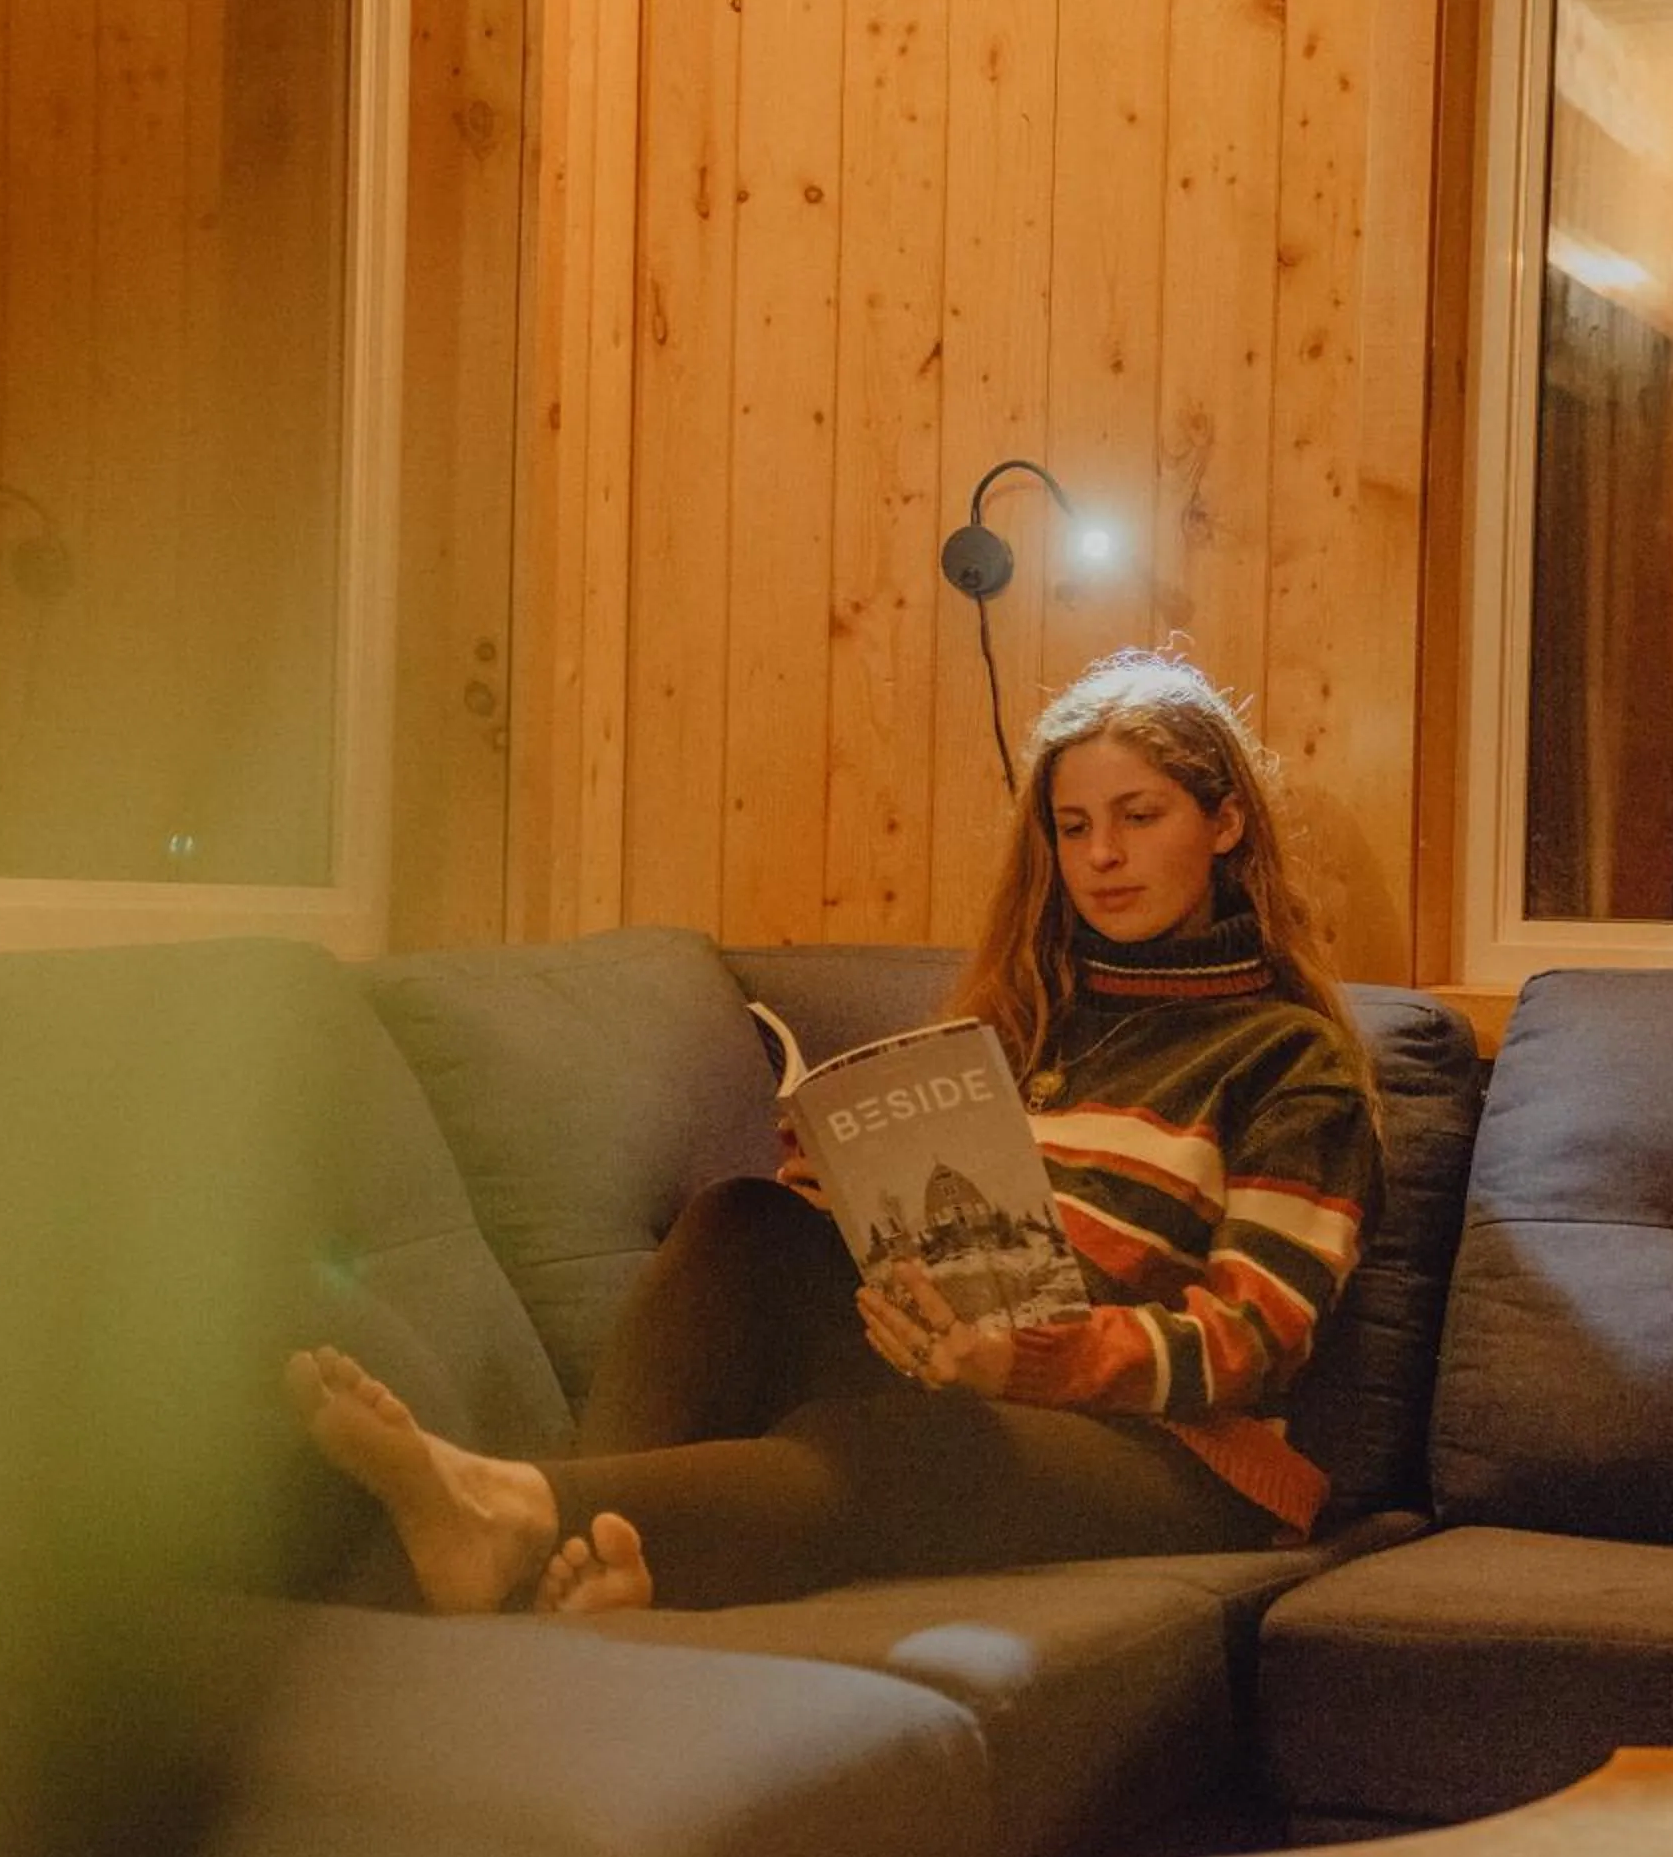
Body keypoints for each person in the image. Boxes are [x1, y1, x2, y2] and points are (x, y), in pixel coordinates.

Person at [287, 648, 1384, 1613]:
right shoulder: (1022, 1023)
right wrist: (841, 1193)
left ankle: (516, 1510)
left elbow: (1253, 1338)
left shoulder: (1287, 1059)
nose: (1103, 855)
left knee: (892, 1443)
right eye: (1076, 825)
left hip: (1179, 1454)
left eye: (1141, 816)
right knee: (746, 1225)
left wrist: (1032, 1356)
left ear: (1226, 820)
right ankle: (583, 1551)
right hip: (975, 1366)